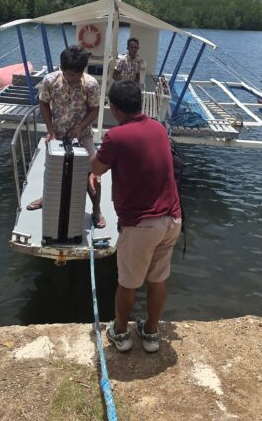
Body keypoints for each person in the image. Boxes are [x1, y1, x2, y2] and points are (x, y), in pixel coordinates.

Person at [90, 79, 182, 353]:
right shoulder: (158, 127)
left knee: (127, 283)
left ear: (114, 108)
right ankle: (151, 334)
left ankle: (120, 333)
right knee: (158, 279)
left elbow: (96, 166)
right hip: (172, 219)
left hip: (142, 225)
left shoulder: (115, 137)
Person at [26, 45, 105, 229]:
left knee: (91, 173)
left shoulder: (91, 84)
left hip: (82, 134)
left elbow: (94, 109)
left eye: (79, 73)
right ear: (62, 69)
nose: (75, 77)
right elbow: (44, 103)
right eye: (71, 73)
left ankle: (96, 209)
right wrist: (50, 129)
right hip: (58, 133)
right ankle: (47, 198)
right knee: (53, 170)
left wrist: (81, 126)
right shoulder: (50, 80)